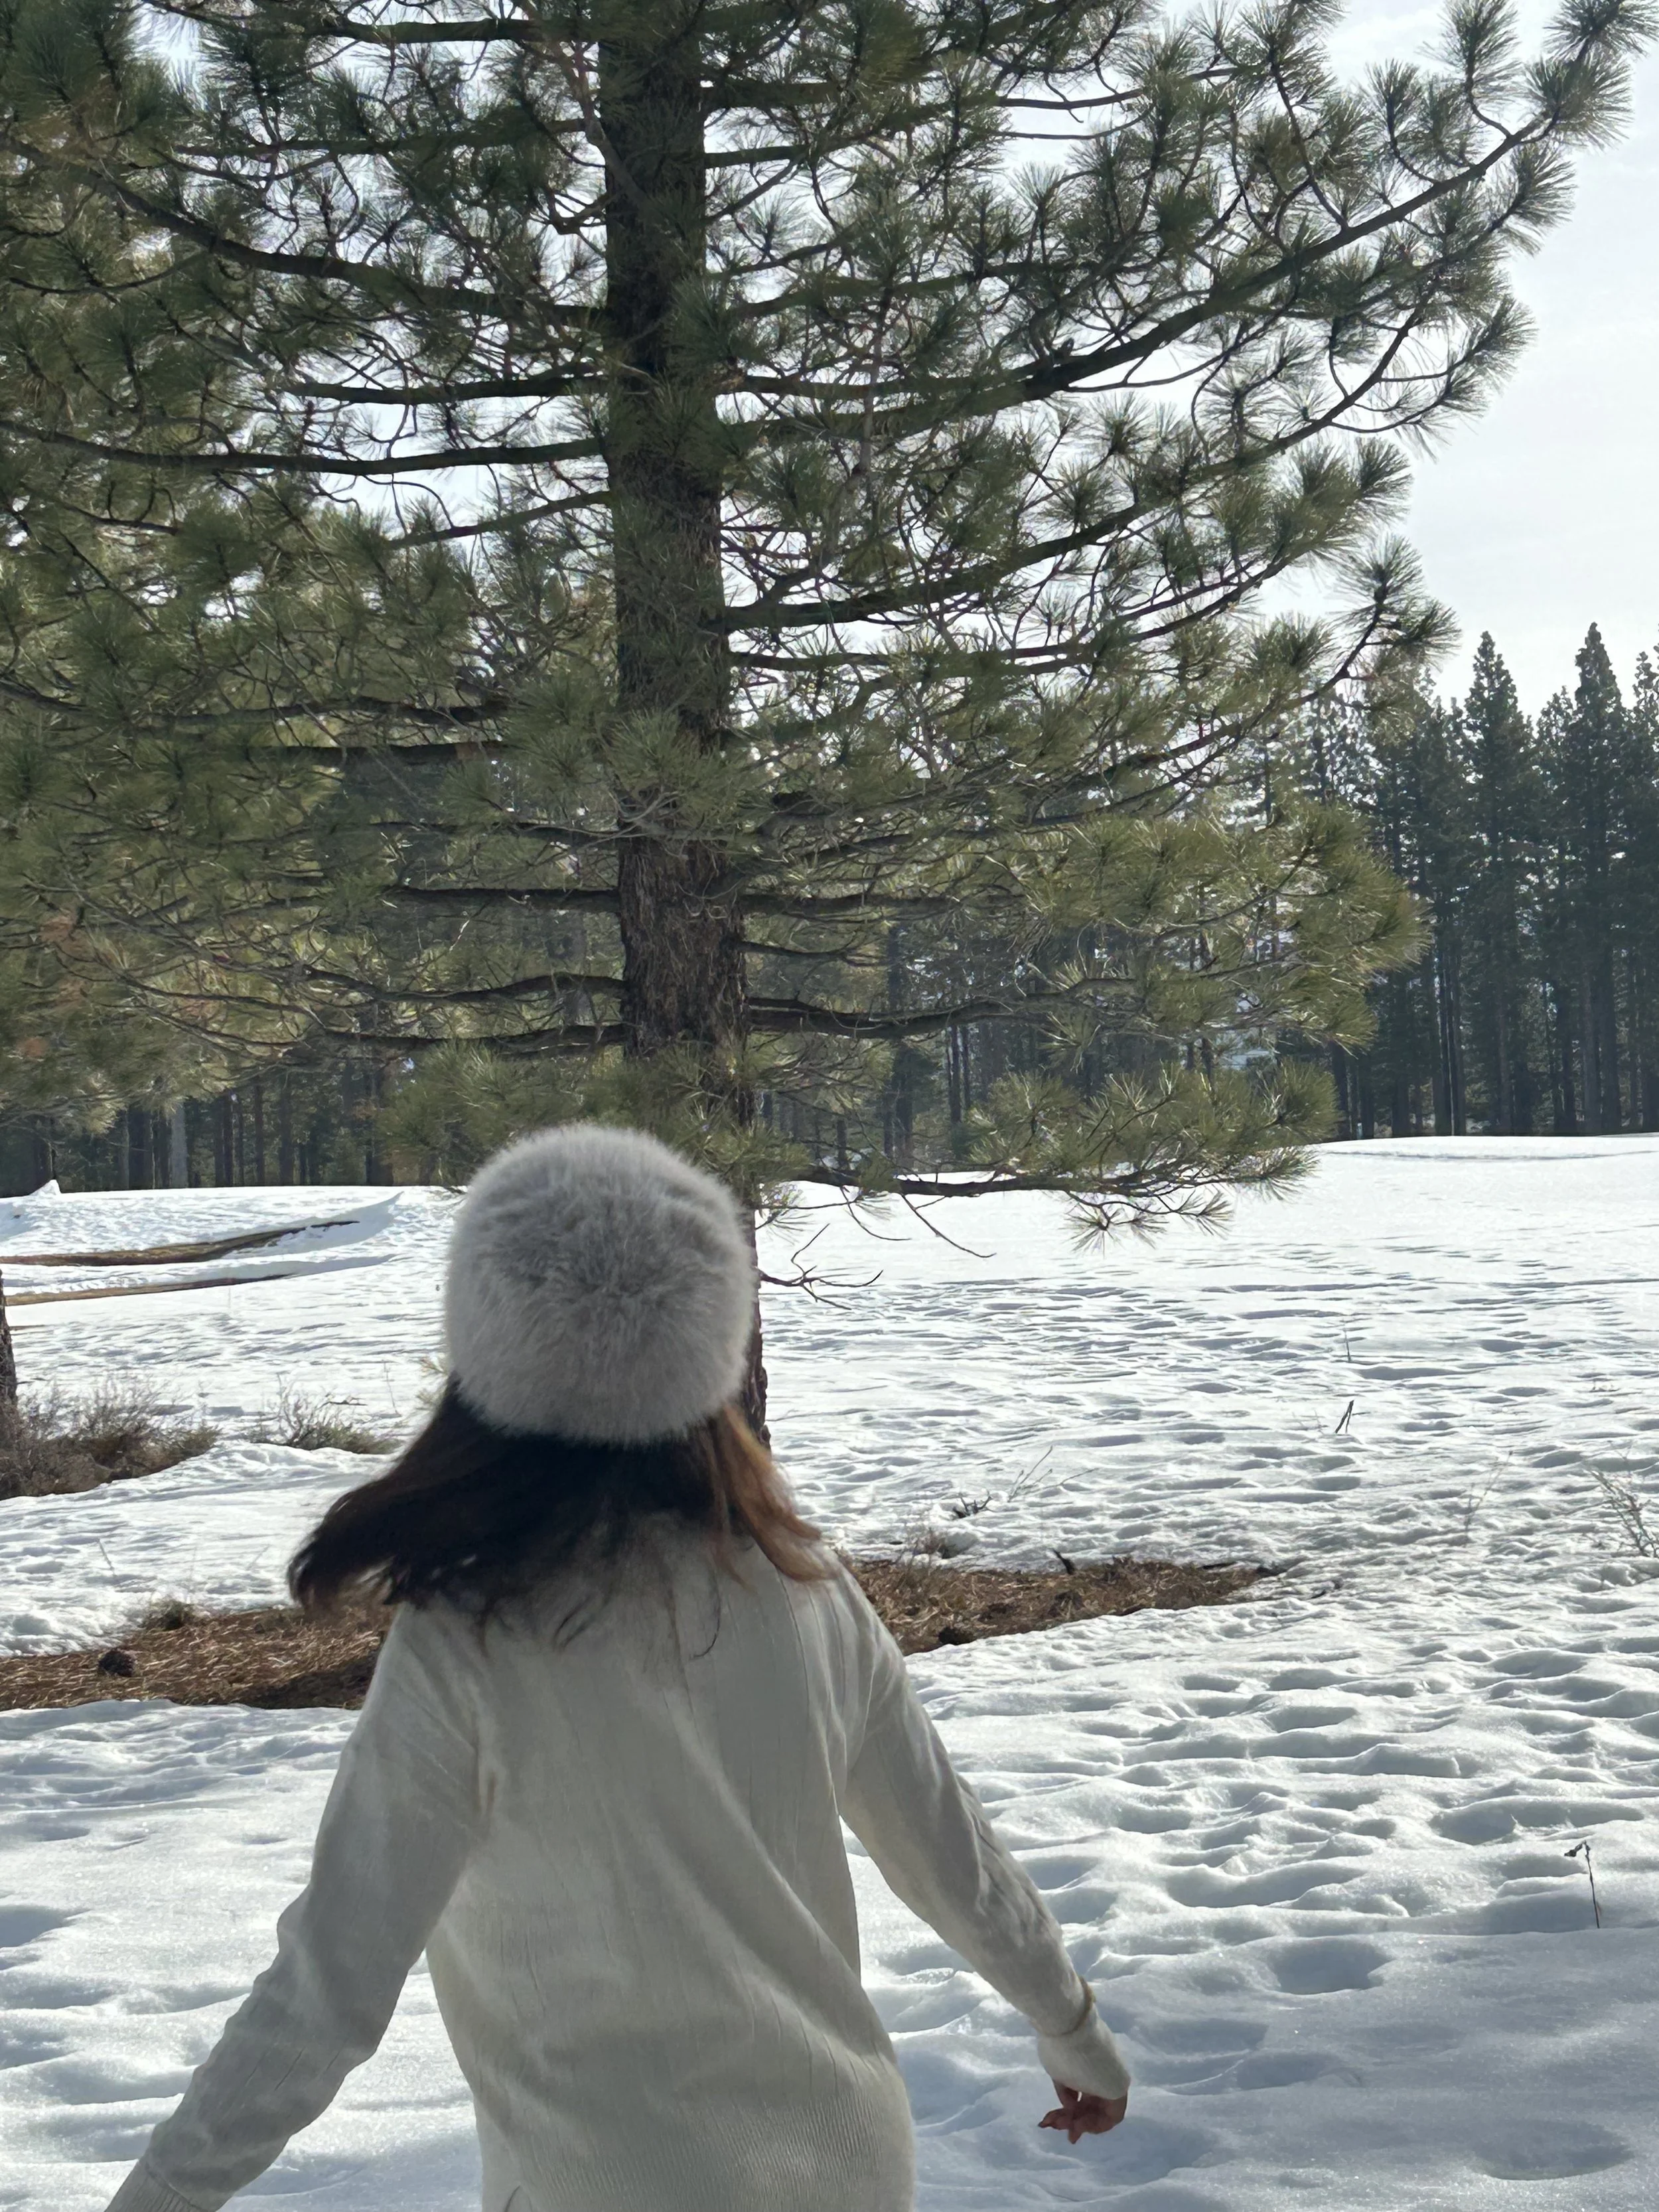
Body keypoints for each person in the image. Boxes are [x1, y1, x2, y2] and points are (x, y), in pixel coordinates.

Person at [107, 1124, 1130, 2212]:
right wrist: (1072, 2027)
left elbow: (330, 1985)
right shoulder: (807, 1586)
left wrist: (161, 2194)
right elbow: (947, 1849)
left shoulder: (470, 1641)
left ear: (487, 1350)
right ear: (708, 1343)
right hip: (848, 2164)